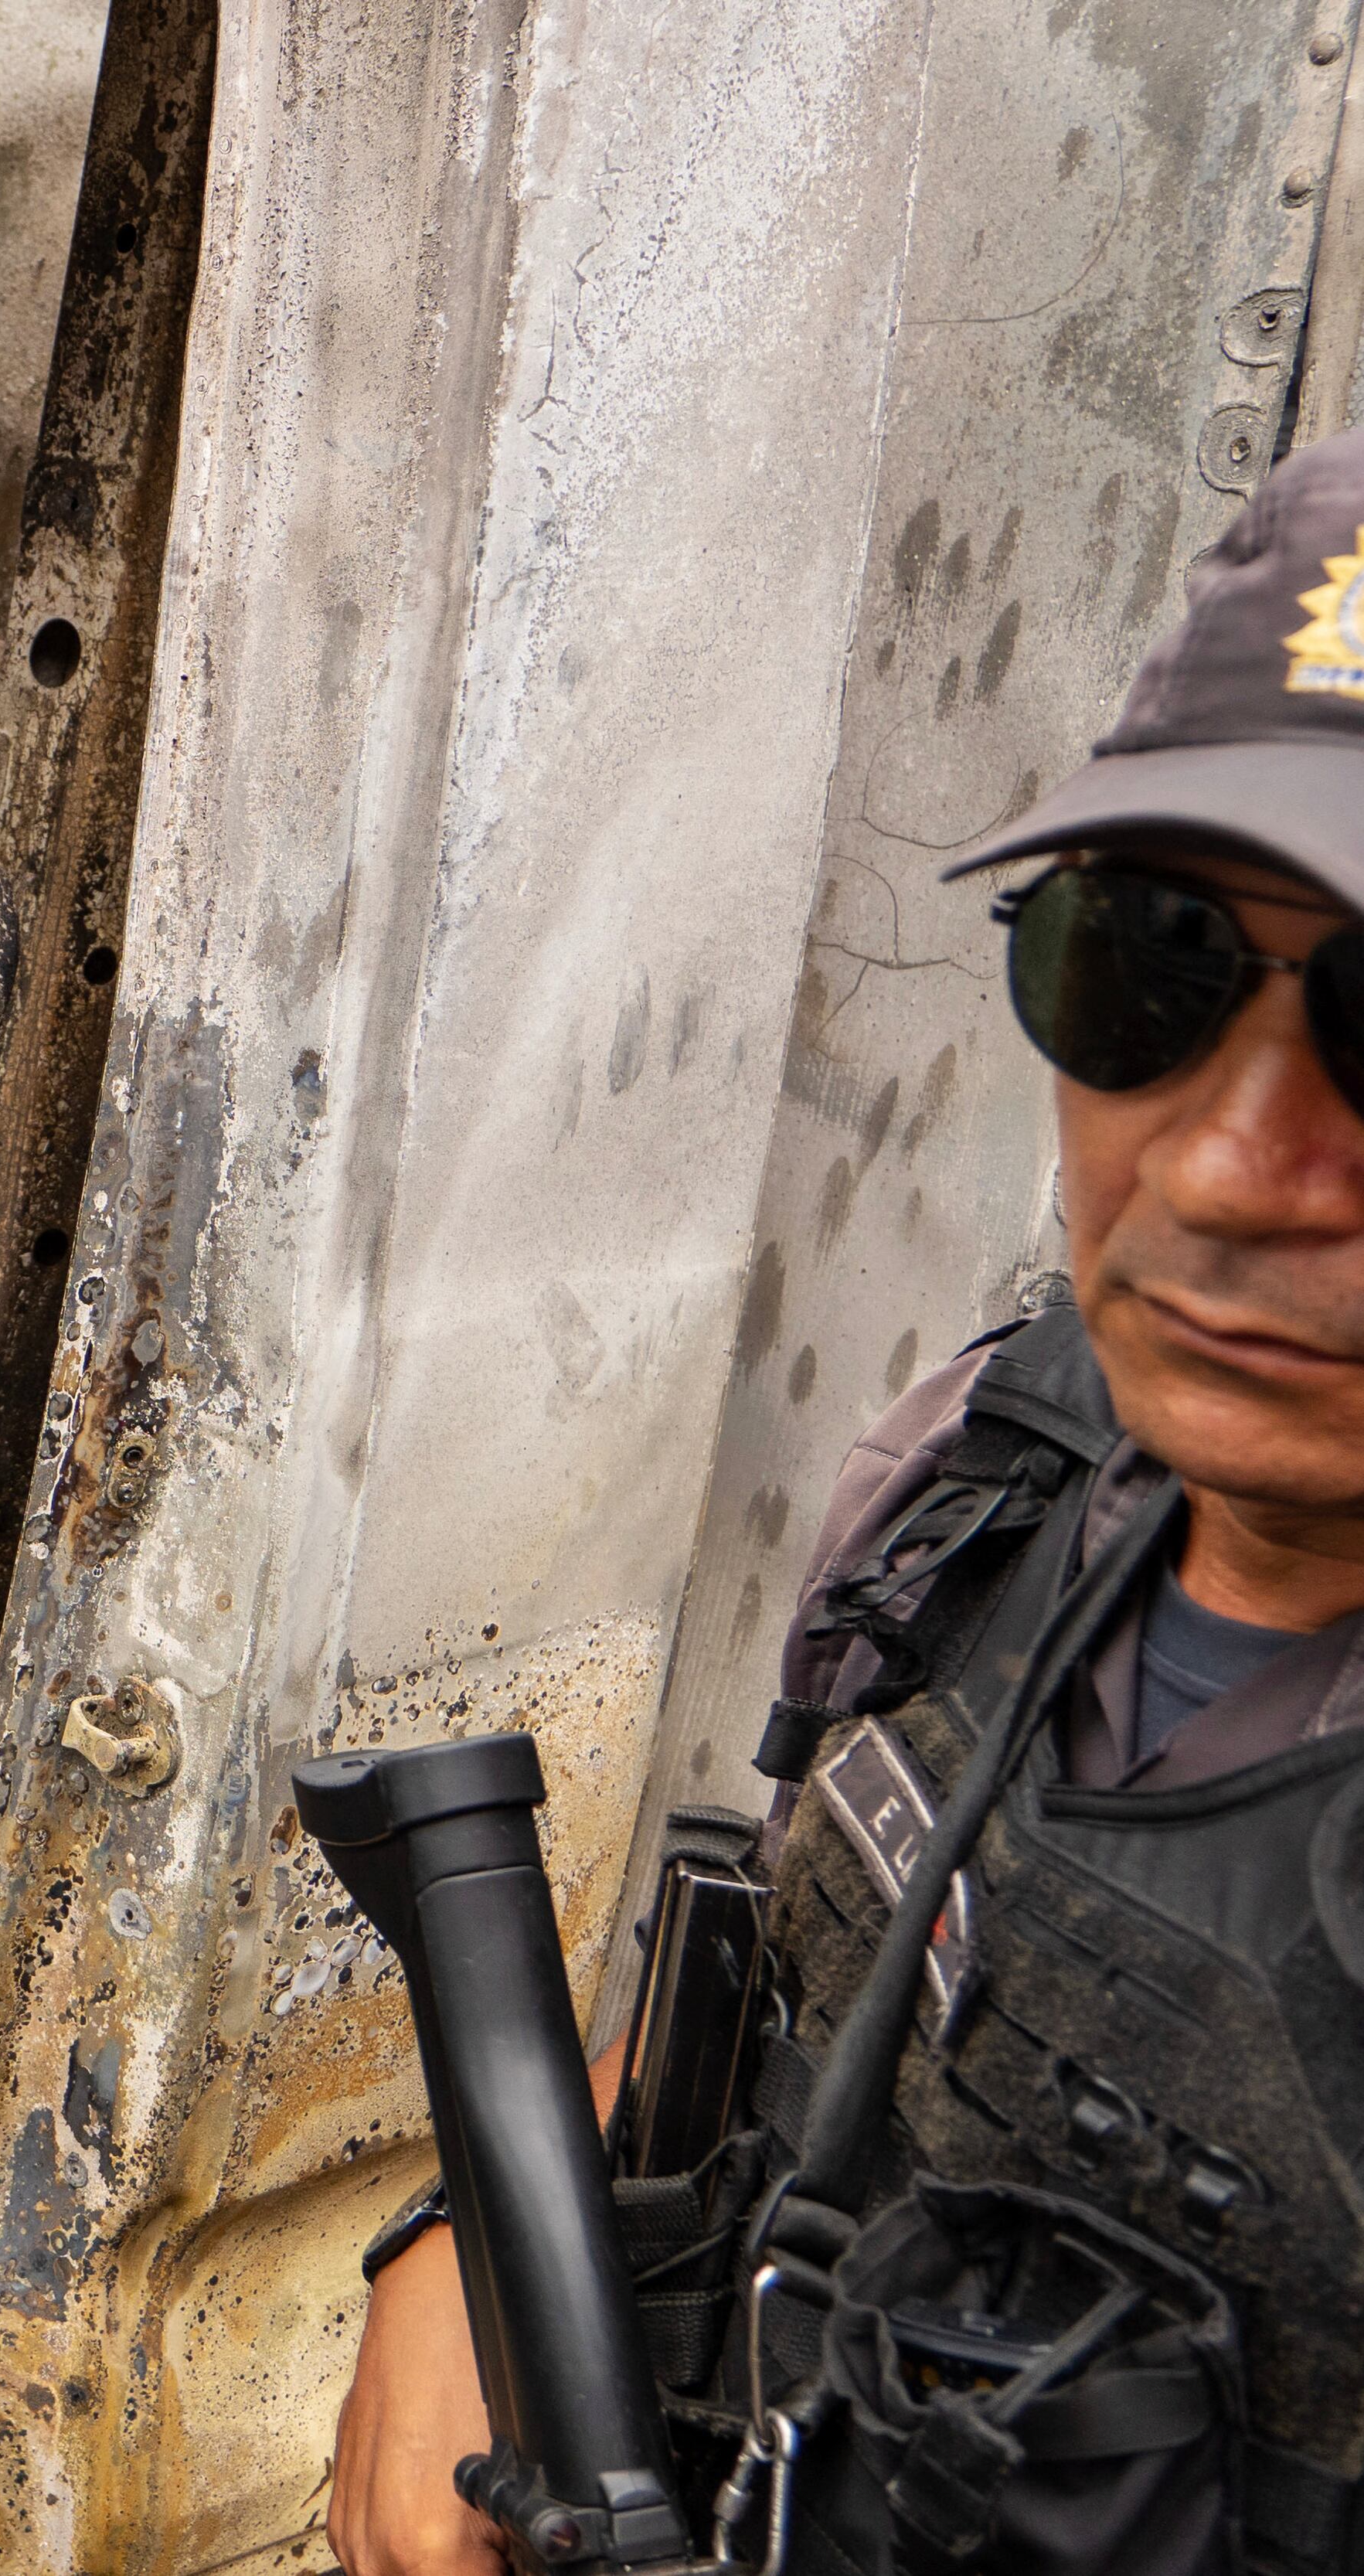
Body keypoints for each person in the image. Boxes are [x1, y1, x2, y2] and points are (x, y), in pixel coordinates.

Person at [328, 425, 1364, 2576]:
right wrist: (469, 2263)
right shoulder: (995, 1461)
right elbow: (808, 1964)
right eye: (1147, 964)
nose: (1233, 1163)